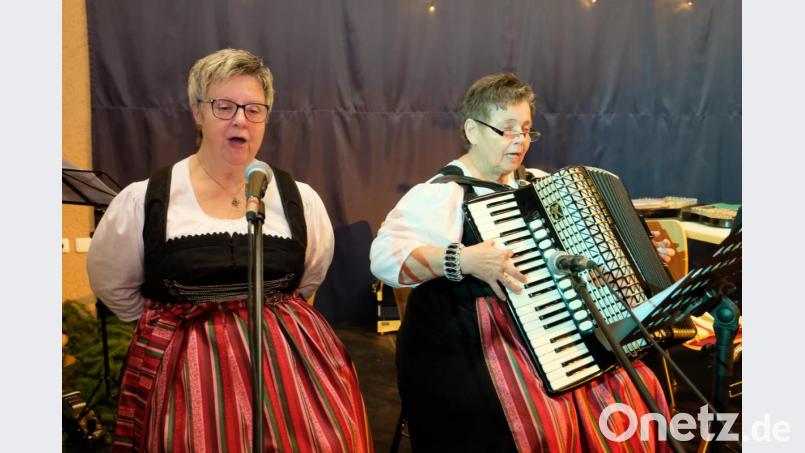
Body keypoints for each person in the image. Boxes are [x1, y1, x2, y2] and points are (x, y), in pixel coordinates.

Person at [370, 73, 673, 452]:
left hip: (555, 330)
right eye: (507, 129)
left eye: (527, 130)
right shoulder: (443, 194)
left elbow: (585, 255)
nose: (519, 140)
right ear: (472, 131)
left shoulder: (539, 185)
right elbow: (384, 258)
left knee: (634, 388)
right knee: (542, 419)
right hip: (479, 346)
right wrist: (463, 258)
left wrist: (637, 255)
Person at [88, 48, 372, 452]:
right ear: (197, 112)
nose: (241, 119)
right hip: (187, 377)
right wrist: (176, 328)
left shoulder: (299, 199)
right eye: (224, 106)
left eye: (254, 109)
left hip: (290, 374)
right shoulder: (146, 199)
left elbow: (307, 279)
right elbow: (114, 286)